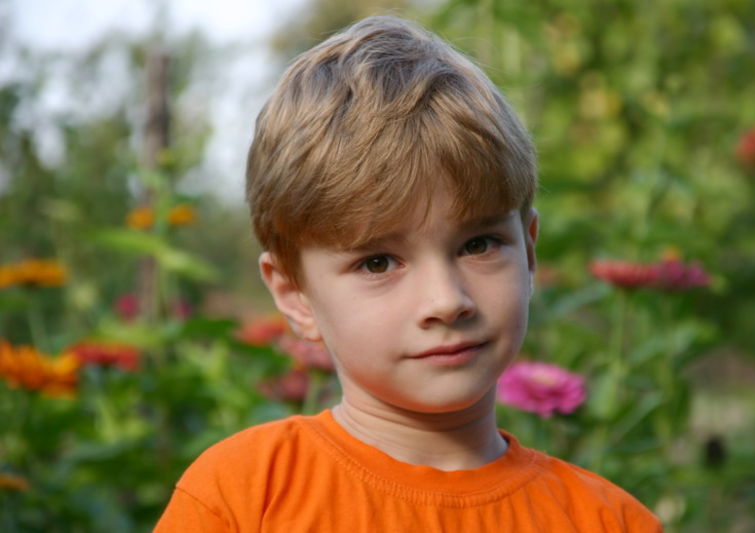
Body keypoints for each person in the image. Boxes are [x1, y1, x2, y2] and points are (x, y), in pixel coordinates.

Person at [155, 15, 662, 532]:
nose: (447, 300)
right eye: (377, 262)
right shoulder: (241, 497)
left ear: (529, 251)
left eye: (478, 245)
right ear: (295, 295)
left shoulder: (610, 521)